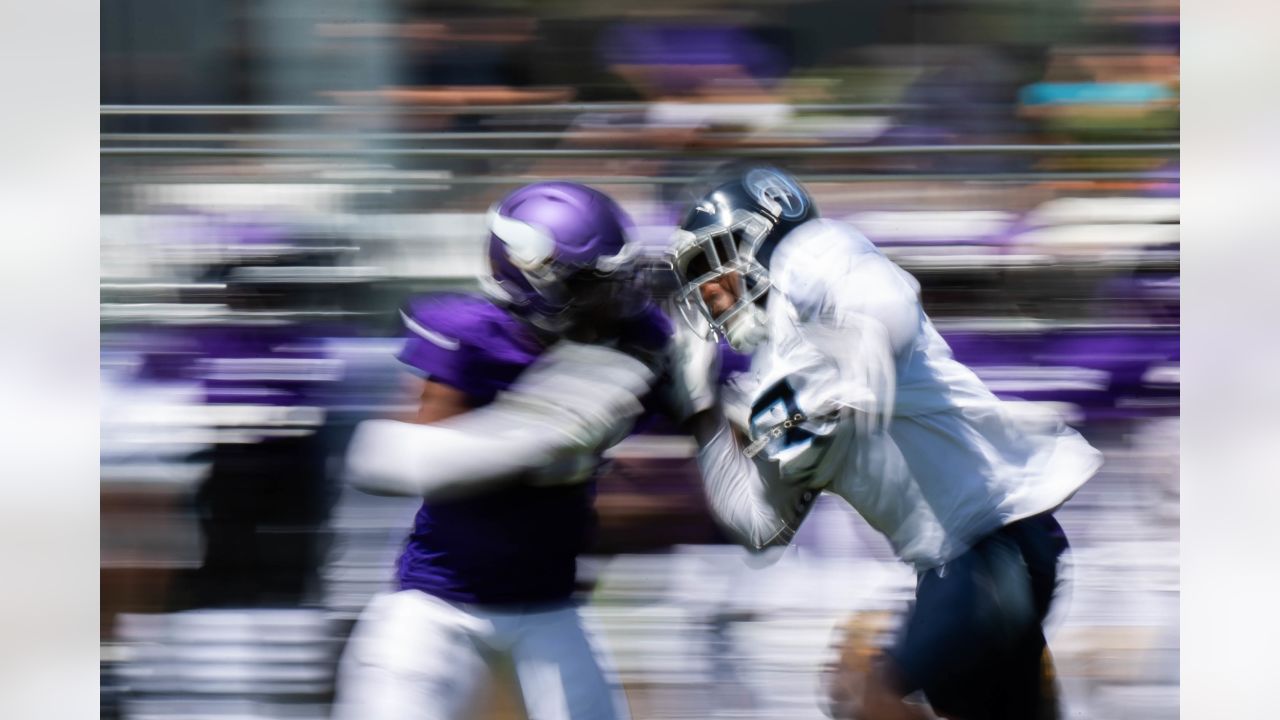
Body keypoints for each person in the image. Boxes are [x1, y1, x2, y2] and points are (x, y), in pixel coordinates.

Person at [665, 165, 1103, 720]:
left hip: (996, 543)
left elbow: (880, 297)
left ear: (760, 234)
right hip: (957, 565)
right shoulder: (770, 386)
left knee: (867, 696)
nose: (708, 290)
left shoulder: (811, 258)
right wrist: (704, 420)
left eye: (712, 263)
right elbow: (759, 529)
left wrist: (850, 369)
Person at [333, 182, 671, 720]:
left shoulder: (634, 342)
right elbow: (385, 459)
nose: (610, 299)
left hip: (550, 605)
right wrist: (537, 431)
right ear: (528, 276)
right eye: (590, 283)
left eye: (613, 281)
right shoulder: (474, 336)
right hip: (438, 604)